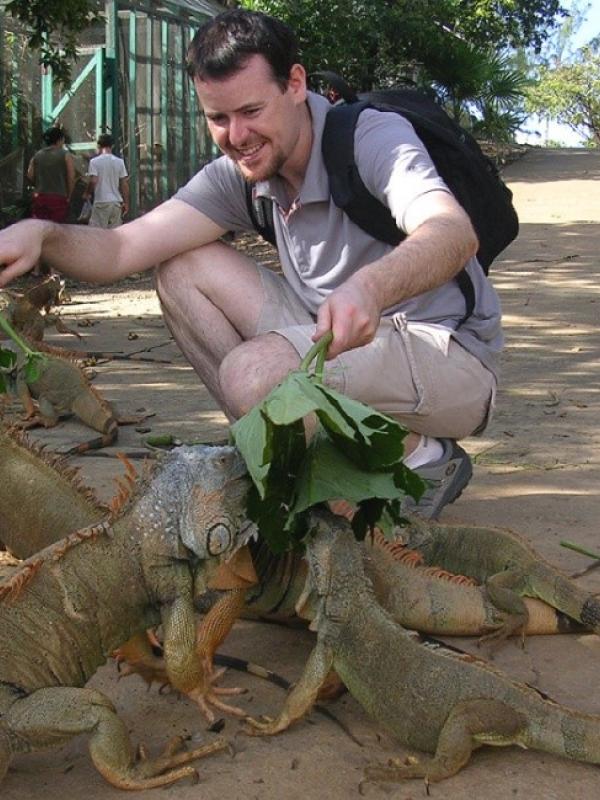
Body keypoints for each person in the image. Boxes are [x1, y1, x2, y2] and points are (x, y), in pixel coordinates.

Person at [0, 9, 501, 519]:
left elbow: (452, 232)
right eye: (218, 118)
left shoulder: (369, 137)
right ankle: (289, 469)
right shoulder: (240, 175)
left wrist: (370, 288)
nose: (237, 135)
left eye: (251, 111)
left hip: (447, 359)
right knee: (180, 270)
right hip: (338, 341)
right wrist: (42, 234)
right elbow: (121, 248)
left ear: (296, 85)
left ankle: (420, 455)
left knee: (252, 373)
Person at [84, 134, 129, 228]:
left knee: (98, 234)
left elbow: (93, 181)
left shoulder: (94, 162)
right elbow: (124, 184)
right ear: (112, 145)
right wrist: (126, 202)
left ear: (99, 146)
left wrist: (87, 193)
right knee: (114, 234)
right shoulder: (119, 162)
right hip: (116, 203)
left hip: (101, 201)